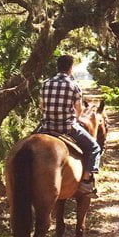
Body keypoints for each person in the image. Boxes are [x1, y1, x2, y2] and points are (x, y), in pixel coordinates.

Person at [39, 54, 101, 197]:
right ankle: (86, 183)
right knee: (94, 147)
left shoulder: (46, 83)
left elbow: (42, 107)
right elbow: (78, 110)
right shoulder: (73, 85)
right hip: (68, 128)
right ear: (70, 68)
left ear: (57, 67)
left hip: (46, 127)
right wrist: (75, 119)